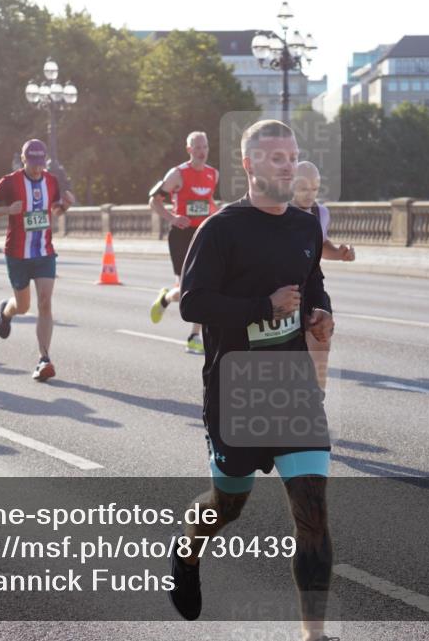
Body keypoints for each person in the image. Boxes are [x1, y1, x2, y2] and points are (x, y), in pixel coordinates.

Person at [169, 120, 335, 641]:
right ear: (249, 165)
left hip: (291, 385)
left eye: (292, 156)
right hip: (235, 389)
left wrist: (319, 313)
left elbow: (314, 284)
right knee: (228, 506)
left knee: (313, 512)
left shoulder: (307, 227)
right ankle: (188, 551)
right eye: (275, 157)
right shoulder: (220, 229)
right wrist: (261, 307)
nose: (287, 165)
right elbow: (192, 304)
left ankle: (314, 635)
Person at [0, 139, 74, 381]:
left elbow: (53, 211)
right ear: (24, 160)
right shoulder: (9, 182)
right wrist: (8, 210)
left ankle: (44, 359)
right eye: (33, 163)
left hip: (44, 252)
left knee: (45, 302)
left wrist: (64, 206)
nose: (37, 168)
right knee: (23, 306)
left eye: (40, 163)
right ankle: (6, 311)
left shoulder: (51, 181)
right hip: (17, 254)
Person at [148, 131, 219, 354]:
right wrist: (172, 218)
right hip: (181, 235)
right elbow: (154, 200)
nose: (202, 151)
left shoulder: (213, 174)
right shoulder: (177, 174)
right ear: (189, 150)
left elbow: (208, 202)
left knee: (203, 285)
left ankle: (194, 336)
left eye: (205, 147)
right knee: (186, 288)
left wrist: (218, 217)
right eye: (197, 147)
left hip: (202, 234)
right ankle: (165, 298)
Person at [290, 161, 355, 390]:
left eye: (315, 188)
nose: (310, 194)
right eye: (303, 188)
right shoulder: (278, 211)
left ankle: (317, 403)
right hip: (283, 290)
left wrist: (340, 253)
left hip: (312, 287)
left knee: (321, 342)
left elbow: (322, 245)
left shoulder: (321, 213)